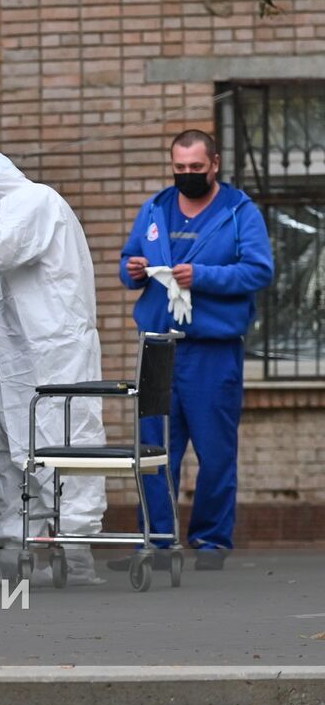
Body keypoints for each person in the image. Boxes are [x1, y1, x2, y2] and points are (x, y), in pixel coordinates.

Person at [0, 145, 107, 586]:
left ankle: (76, 555)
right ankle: (14, 558)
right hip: (17, 372)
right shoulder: (8, 224)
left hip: (53, 361)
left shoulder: (34, 203)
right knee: (5, 457)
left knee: (62, 449)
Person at [115, 129, 272, 571]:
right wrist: (133, 271)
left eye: (196, 169)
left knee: (215, 450)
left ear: (215, 164)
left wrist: (200, 276)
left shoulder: (239, 213)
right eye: (179, 168)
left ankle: (210, 541)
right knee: (154, 449)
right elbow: (129, 263)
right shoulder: (157, 207)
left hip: (212, 350)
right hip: (158, 347)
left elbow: (259, 271)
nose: (186, 176)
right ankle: (159, 542)